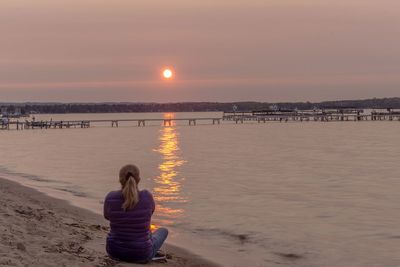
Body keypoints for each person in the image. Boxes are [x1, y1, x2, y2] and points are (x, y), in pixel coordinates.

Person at [103, 164, 168, 263]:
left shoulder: (110, 197)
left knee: (146, 232)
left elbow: (107, 216)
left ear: (120, 180)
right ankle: (151, 253)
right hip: (141, 255)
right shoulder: (147, 196)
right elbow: (150, 213)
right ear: (139, 179)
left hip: (114, 252)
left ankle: (147, 249)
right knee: (163, 231)